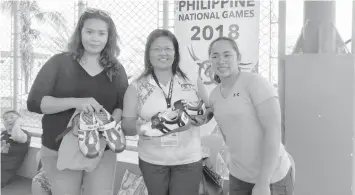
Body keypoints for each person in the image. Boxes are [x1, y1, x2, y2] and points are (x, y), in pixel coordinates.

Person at [27, 8, 128, 195]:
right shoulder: (58, 62)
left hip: (100, 150)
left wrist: (104, 128)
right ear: (80, 32)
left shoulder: (116, 69)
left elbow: (121, 106)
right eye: (89, 31)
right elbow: (34, 102)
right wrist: (76, 102)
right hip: (59, 148)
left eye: (101, 33)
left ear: (109, 37)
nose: (95, 38)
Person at [122, 29, 205, 195]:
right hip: (152, 160)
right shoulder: (136, 87)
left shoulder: (191, 81)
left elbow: (208, 110)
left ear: (175, 53)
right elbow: (126, 125)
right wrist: (143, 128)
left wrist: (202, 118)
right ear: (148, 54)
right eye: (157, 49)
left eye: (168, 49)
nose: (163, 53)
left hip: (188, 159)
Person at [208, 36, 294, 195]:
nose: (221, 60)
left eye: (227, 55)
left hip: (272, 179)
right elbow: (228, 133)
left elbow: (273, 131)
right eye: (215, 56)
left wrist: (263, 181)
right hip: (238, 177)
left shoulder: (255, 83)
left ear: (238, 58)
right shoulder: (214, 95)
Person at [1, 110, 30, 187]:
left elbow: (17, 137)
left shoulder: (24, 134)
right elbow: (2, 150)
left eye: (12, 117)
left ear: (19, 120)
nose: (8, 120)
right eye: (5, 119)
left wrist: (17, 123)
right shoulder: (4, 133)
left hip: (7, 168)